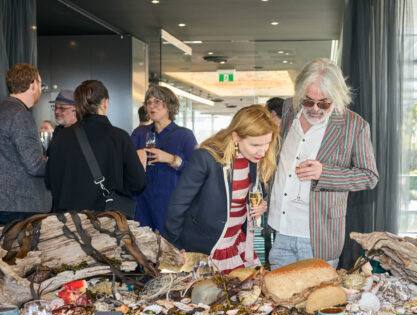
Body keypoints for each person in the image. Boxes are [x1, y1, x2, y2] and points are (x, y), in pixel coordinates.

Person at [267, 58, 379, 270]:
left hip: (319, 236)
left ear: (336, 97)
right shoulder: (288, 110)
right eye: (308, 101)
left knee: (317, 301)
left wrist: (324, 173)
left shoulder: (355, 126)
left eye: (324, 103)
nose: (315, 109)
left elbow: (369, 176)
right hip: (280, 230)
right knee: (277, 299)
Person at [164, 105, 278, 274]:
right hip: (205, 248)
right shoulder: (206, 157)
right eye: (255, 145)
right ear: (236, 136)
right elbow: (178, 205)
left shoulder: (251, 157)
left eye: (267, 144)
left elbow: (240, 195)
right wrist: (173, 247)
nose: (262, 151)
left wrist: (260, 205)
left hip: (235, 242)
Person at [45, 80, 146, 214]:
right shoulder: (119, 137)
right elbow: (138, 184)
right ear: (105, 102)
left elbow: (49, 181)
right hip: (106, 220)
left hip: (68, 222)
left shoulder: (60, 137)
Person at [131, 86, 197, 233]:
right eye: (148, 102)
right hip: (142, 204)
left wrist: (172, 159)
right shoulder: (140, 133)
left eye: (157, 101)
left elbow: (196, 171)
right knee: (143, 251)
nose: (151, 106)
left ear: (169, 106)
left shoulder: (184, 135)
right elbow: (125, 162)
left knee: (170, 251)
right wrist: (136, 155)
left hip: (170, 206)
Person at [0, 64, 51, 224]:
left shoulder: (4, 110)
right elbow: (35, 165)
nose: (40, 89)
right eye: (41, 84)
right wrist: (55, 162)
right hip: (21, 205)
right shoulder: (20, 115)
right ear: (33, 84)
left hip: (8, 204)